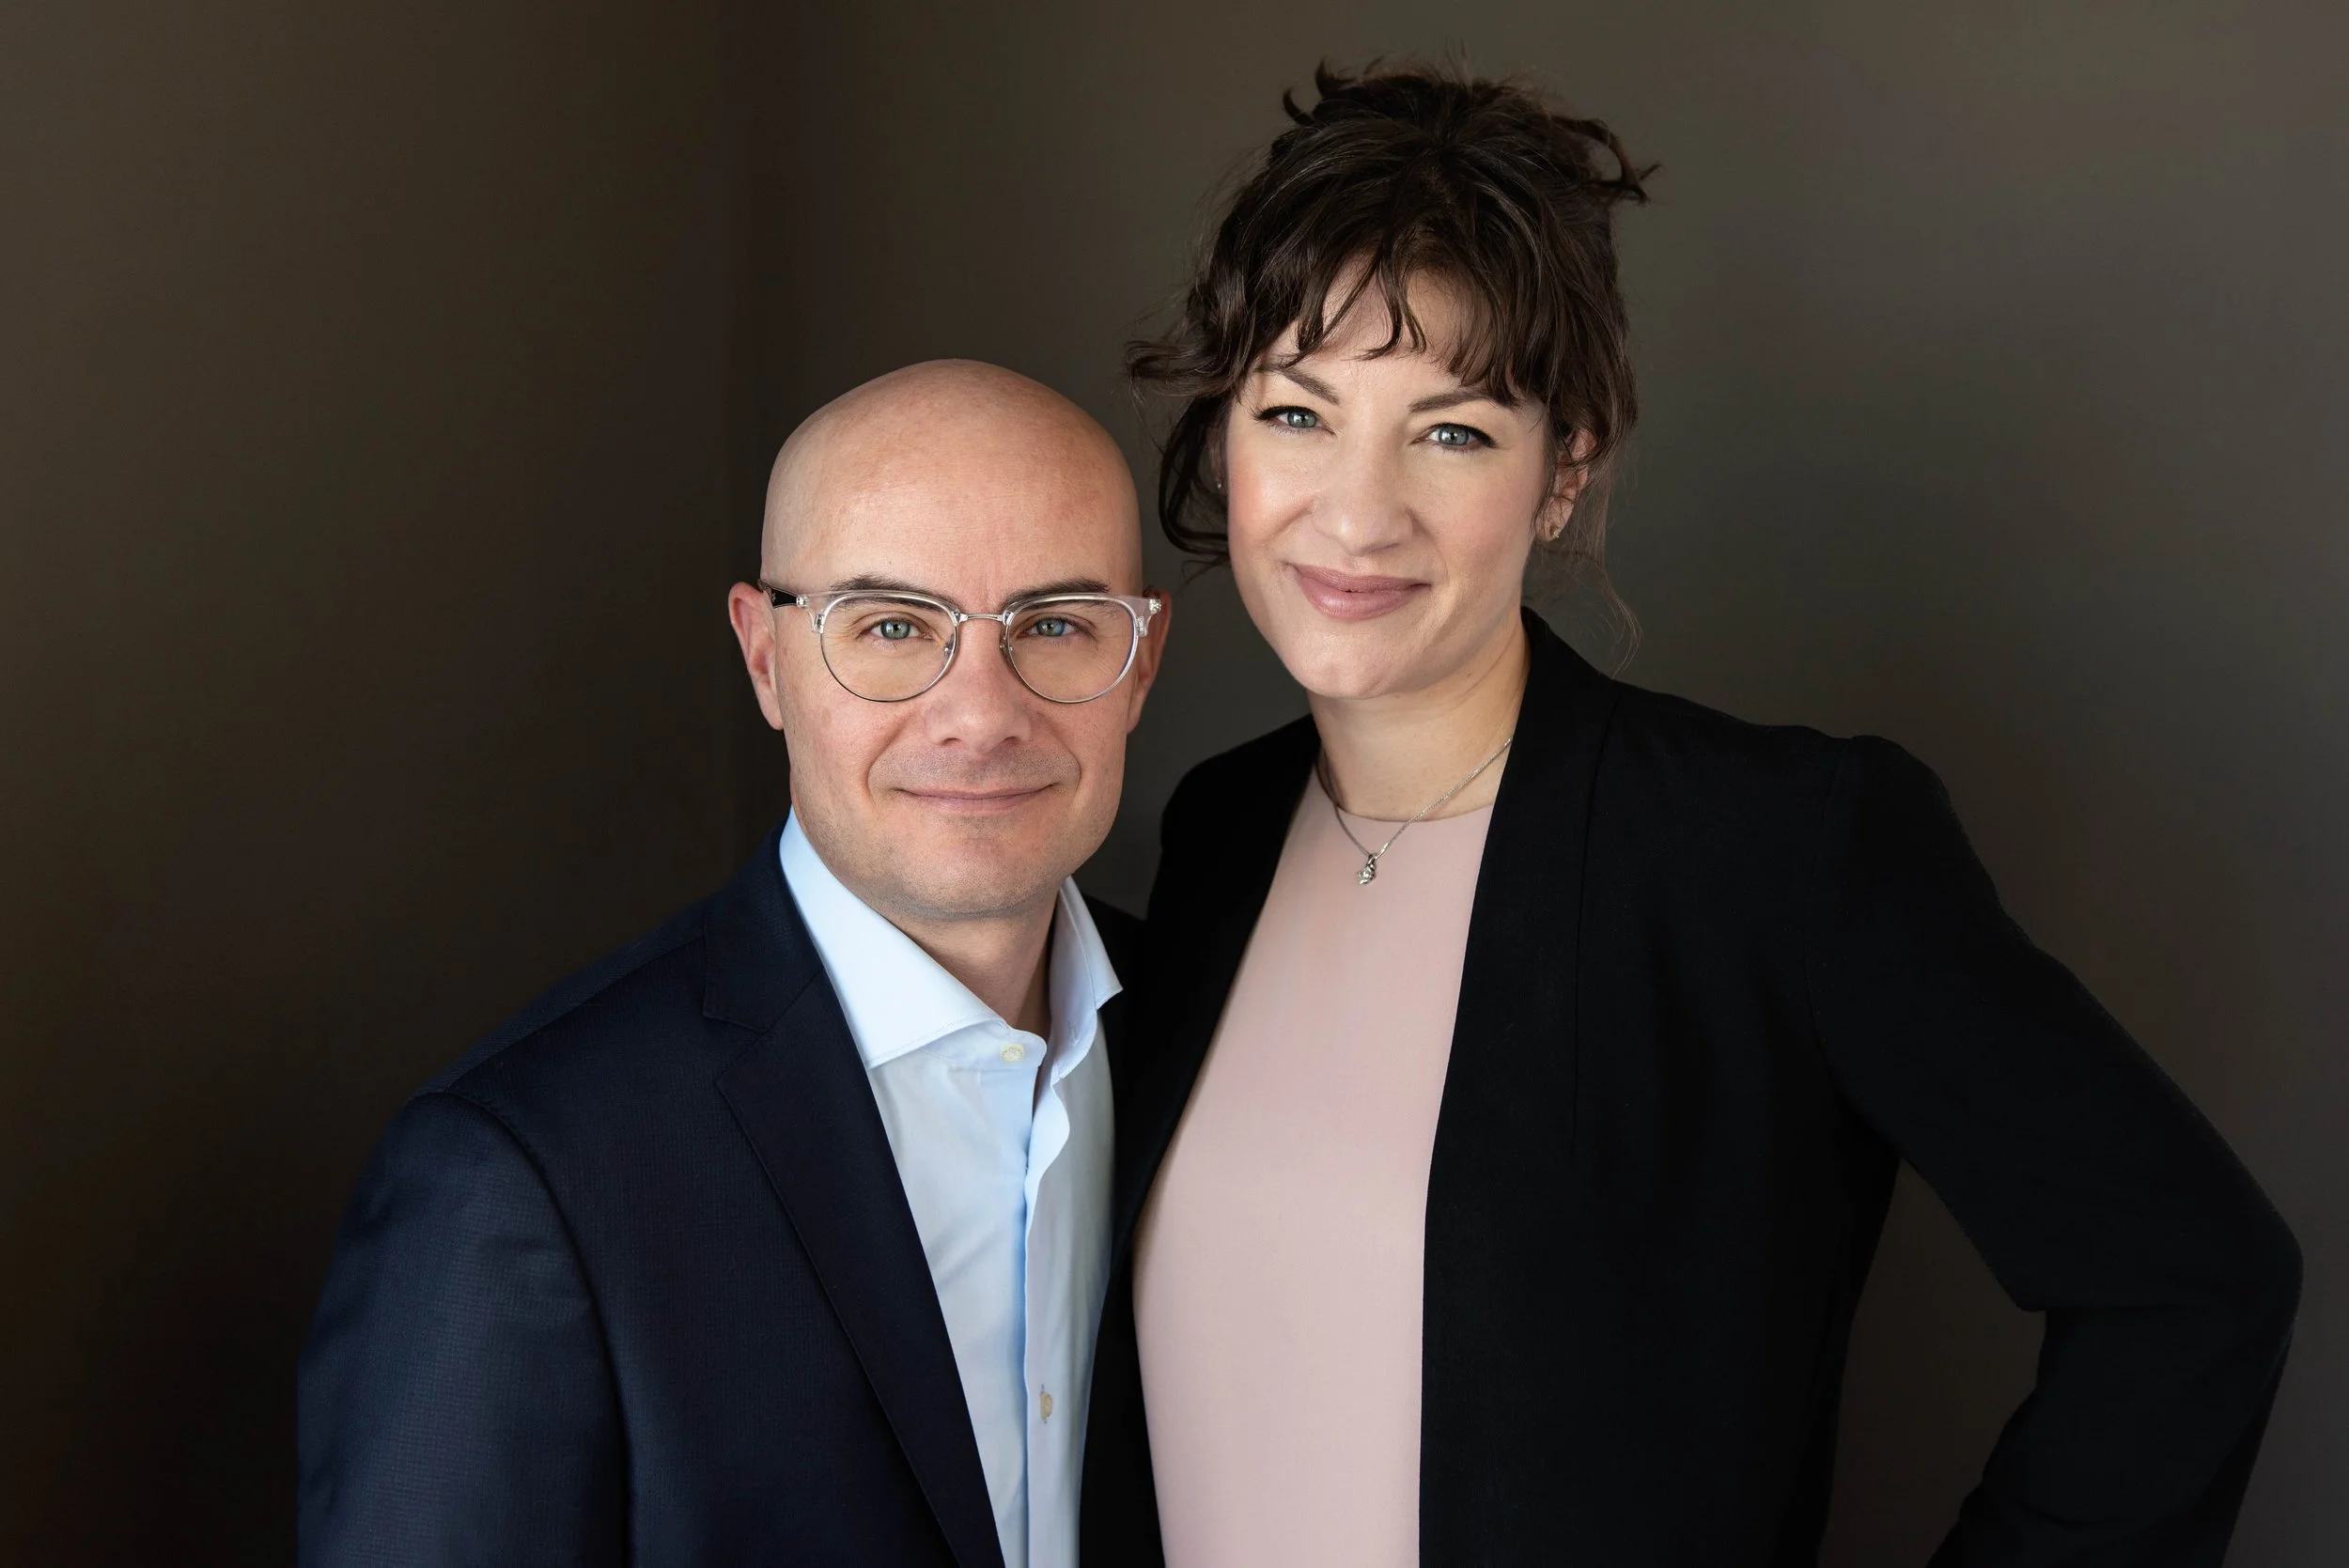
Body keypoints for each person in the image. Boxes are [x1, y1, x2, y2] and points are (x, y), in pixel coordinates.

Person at [1079, 65, 2301, 1566]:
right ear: (1227, 433)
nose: (1354, 510)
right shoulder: (1218, 832)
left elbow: (2196, 1282)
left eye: (1451, 431)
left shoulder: (1782, 848)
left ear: (1564, 468)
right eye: (1296, 412)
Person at [299, 360, 1167, 1567]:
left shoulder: (1204, 1032)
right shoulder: (520, 1176)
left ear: (1142, 663)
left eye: (1057, 625)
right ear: (765, 657)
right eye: (891, 626)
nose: (980, 714)